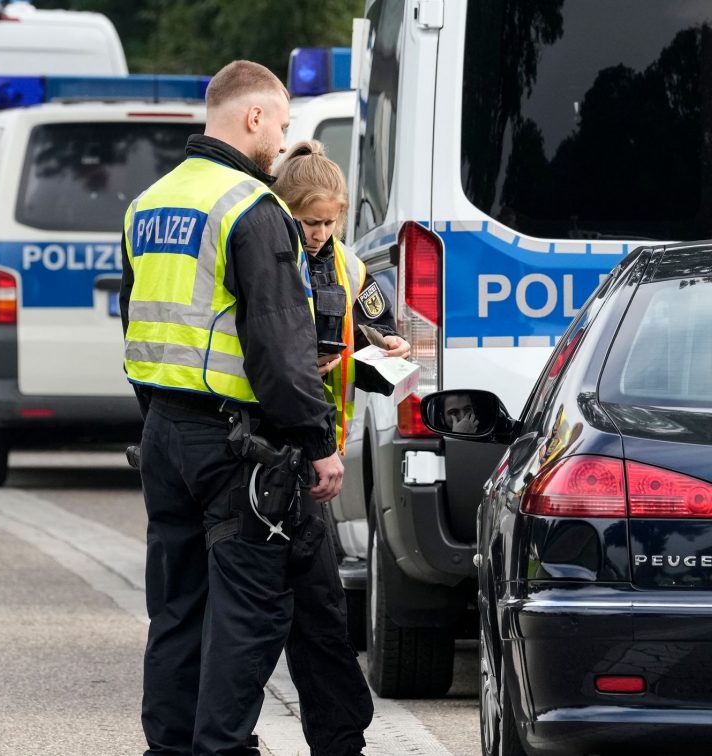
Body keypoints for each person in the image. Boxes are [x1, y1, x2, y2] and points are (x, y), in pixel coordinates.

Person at [118, 60, 344, 756]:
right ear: (253, 116)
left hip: (163, 435)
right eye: (281, 123)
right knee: (247, 614)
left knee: (177, 609)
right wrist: (318, 442)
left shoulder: (148, 204)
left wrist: (161, 413)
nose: (281, 139)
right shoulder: (253, 208)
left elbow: (137, 324)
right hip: (234, 446)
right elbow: (278, 346)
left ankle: (168, 748)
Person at [267, 141, 411, 756]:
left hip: (317, 453)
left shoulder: (348, 267)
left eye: (329, 222)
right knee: (275, 609)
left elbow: (382, 335)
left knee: (321, 607)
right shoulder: (265, 256)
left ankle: (339, 738)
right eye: (310, 222)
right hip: (270, 449)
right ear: (285, 211)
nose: (320, 234)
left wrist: (387, 349)